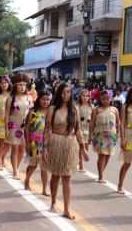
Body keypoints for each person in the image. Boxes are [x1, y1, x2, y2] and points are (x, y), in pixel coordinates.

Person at [43, 82, 89, 220]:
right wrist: (44, 147)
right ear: (59, 93)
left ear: (71, 93)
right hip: (55, 143)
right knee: (55, 176)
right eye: (63, 92)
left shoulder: (75, 109)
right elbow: (47, 129)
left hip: (70, 144)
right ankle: (53, 203)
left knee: (67, 177)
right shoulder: (52, 109)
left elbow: (78, 130)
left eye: (68, 92)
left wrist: (83, 149)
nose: (66, 95)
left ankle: (66, 209)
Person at [5, 73, 33, 179]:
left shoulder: (29, 98)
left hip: (25, 127)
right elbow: (7, 114)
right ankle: (15, 171)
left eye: (24, 85)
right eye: (20, 85)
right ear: (15, 86)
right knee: (15, 149)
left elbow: (32, 112)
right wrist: (6, 129)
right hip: (13, 125)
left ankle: (16, 167)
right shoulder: (11, 98)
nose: (22, 87)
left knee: (22, 149)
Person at [24, 90, 51, 196]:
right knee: (33, 165)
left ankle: (45, 189)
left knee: (45, 166)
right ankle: (27, 180)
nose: (45, 102)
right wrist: (27, 143)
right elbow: (26, 129)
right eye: (43, 99)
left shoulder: (51, 112)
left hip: (47, 143)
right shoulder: (32, 112)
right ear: (39, 99)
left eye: (47, 99)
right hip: (34, 142)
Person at [89, 90, 119, 183]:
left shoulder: (115, 109)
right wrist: (90, 135)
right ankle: (101, 176)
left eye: (107, 98)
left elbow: (118, 123)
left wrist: (118, 134)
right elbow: (92, 123)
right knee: (101, 155)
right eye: (103, 99)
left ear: (110, 98)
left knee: (108, 155)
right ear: (100, 99)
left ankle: (102, 172)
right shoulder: (96, 110)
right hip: (100, 135)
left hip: (111, 135)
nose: (105, 100)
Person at [76, 89, 94, 172]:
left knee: (86, 147)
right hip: (80, 128)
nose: (85, 97)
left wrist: (92, 132)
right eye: (83, 95)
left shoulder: (92, 107)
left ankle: (80, 162)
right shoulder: (77, 106)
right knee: (81, 147)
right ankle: (81, 166)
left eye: (87, 96)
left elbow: (93, 120)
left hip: (88, 128)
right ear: (80, 96)